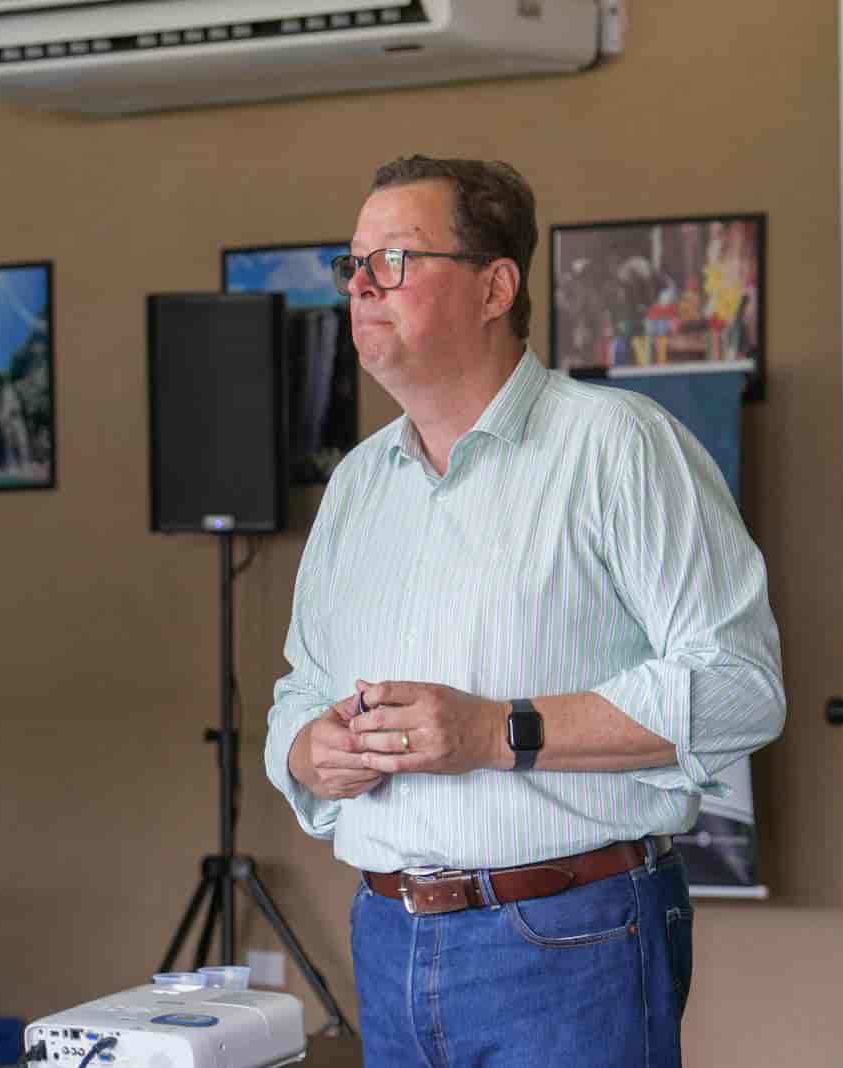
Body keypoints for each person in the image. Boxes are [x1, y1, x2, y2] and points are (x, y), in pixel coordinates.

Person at [263, 155, 786, 1067]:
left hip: (569, 938)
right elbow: (298, 694)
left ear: (494, 287)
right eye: (353, 264)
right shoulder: (355, 485)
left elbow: (742, 688)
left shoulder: (620, 447)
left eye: (394, 259)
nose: (361, 287)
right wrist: (312, 750)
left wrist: (495, 732)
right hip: (387, 937)